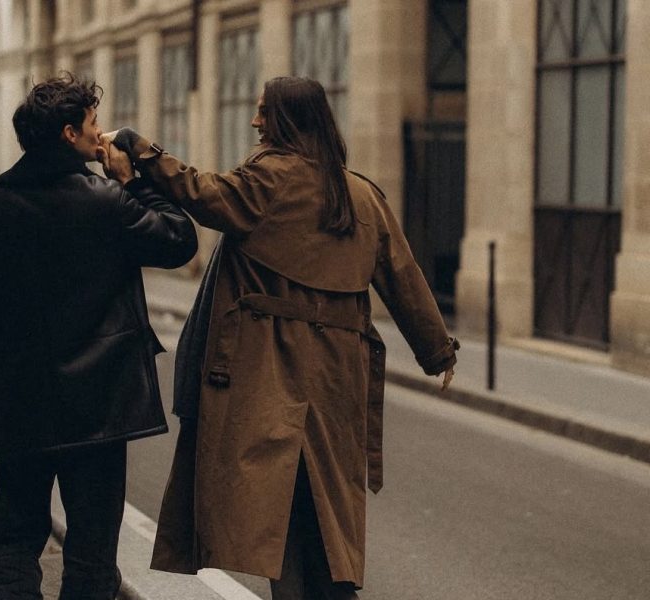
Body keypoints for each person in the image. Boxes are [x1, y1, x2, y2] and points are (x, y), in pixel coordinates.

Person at [103, 76, 459, 599]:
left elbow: (200, 193)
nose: (254, 122)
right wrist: (437, 349)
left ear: (288, 119)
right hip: (339, 376)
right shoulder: (361, 194)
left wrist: (141, 149)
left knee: (281, 512)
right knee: (328, 510)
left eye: (264, 112)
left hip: (267, 369)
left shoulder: (267, 184)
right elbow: (402, 273)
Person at [0, 72, 197, 600]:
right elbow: (178, 239)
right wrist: (133, 179)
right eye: (93, 124)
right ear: (68, 134)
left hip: (23, 405)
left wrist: (6, 374)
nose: (99, 134)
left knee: (14, 542)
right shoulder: (106, 202)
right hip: (100, 409)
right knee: (91, 552)